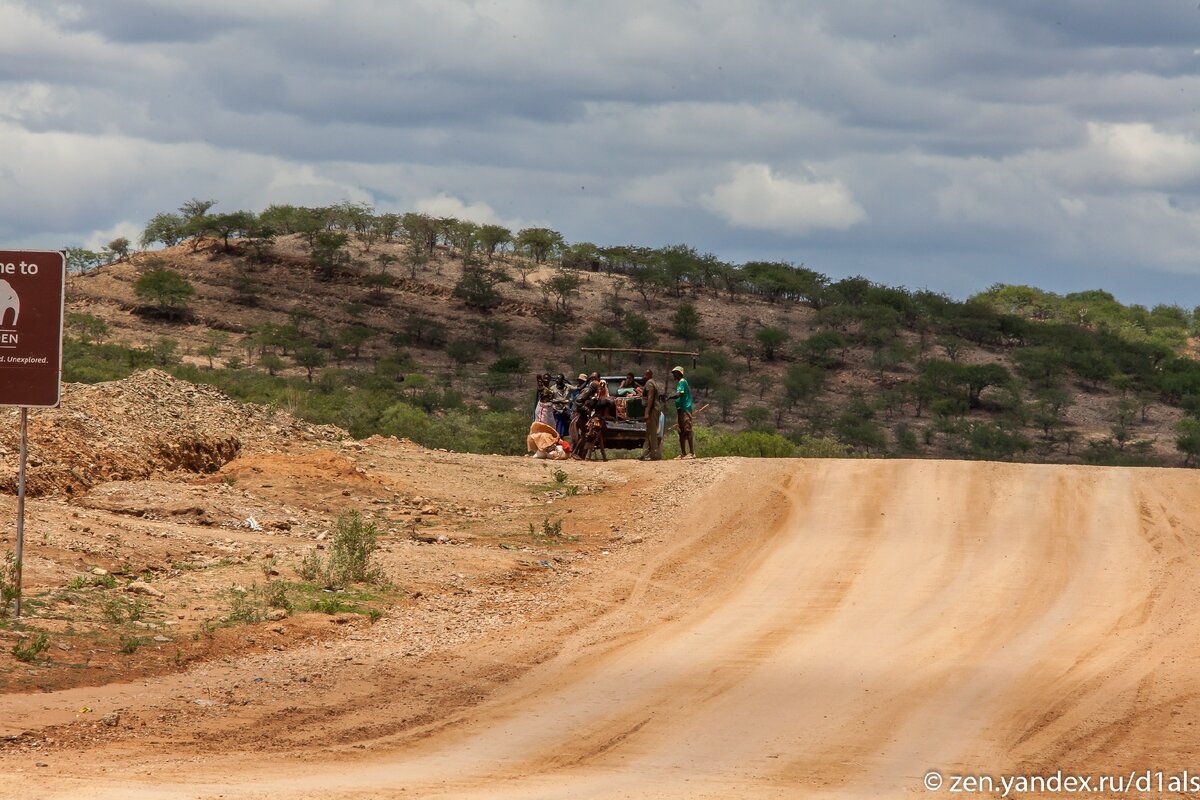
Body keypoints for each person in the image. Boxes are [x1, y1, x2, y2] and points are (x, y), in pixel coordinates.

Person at [666, 365, 696, 459]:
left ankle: (692, 453)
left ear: (679, 373)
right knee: (681, 431)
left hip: (685, 409)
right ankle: (683, 453)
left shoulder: (682, 382)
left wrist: (670, 397)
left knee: (687, 429)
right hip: (680, 409)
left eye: (675, 373)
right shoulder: (680, 383)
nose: (673, 375)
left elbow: (679, 394)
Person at [639, 369, 664, 461]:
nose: (643, 376)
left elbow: (650, 397)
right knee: (649, 432)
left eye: (645, 374)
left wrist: (647, 412)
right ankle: (644, 454)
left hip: (652, 410)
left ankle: (654, 455)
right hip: (653, 409)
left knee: (652, 433)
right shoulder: (651, 382)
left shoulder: (649, 383)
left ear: (649, 375)